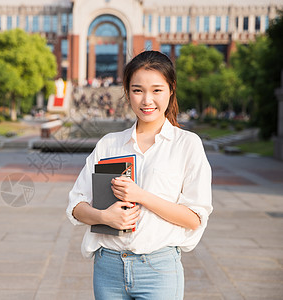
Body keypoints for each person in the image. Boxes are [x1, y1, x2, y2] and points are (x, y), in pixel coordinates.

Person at [66, 50, 212, 300]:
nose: (147, 100)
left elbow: (194, 218)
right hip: (108, 268)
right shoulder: (109, 144)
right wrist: (104, 216)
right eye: (137, 90)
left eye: (156, 90)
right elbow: (76, 206)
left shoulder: (186, 144)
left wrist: (141, 196)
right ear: (127, 91)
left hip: (159, 270)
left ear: (171, 89)